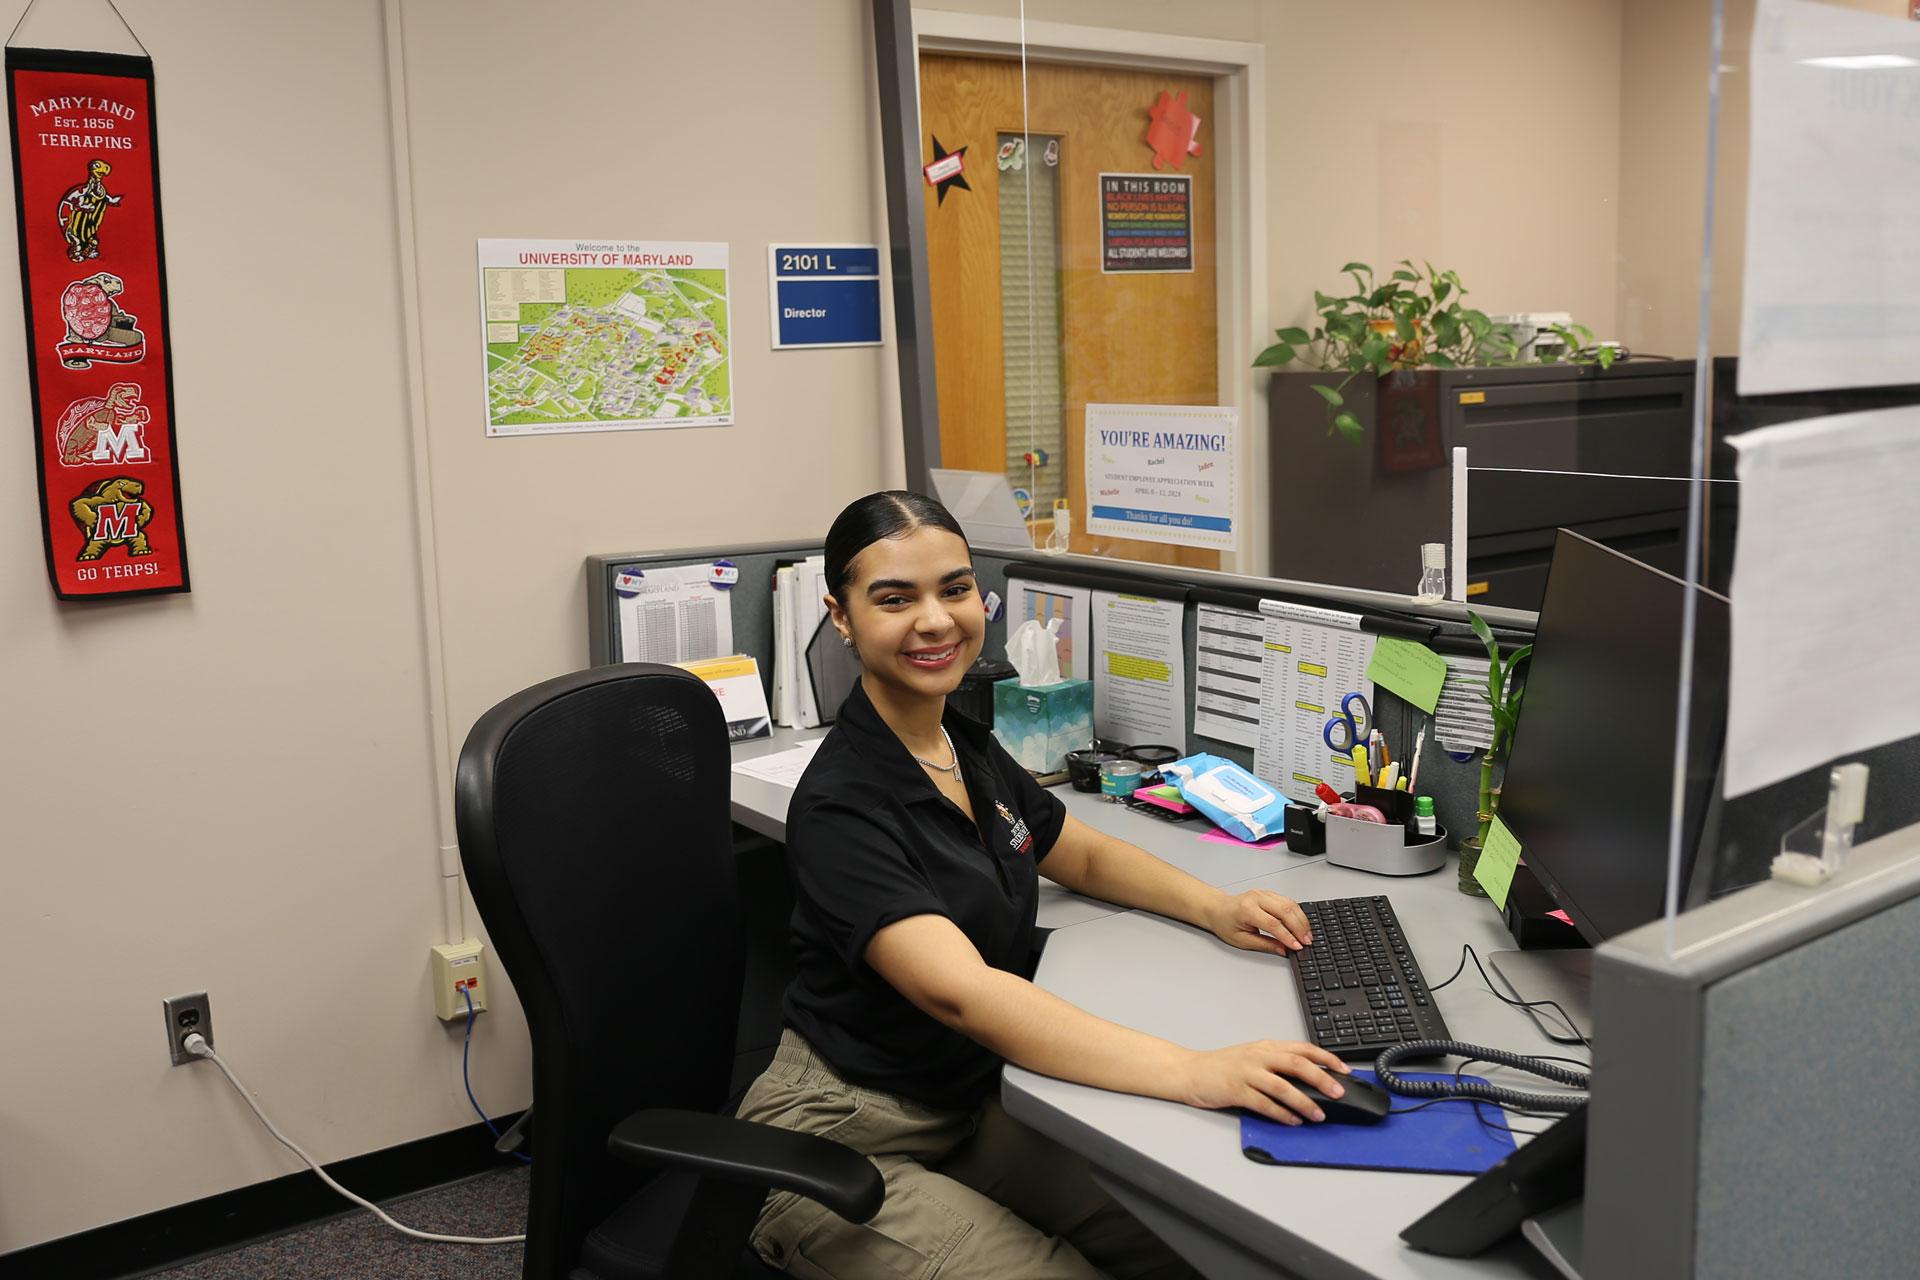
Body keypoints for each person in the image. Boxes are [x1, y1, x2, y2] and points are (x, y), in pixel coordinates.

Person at [736, 491, 1351, 1279]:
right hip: (844, 1135)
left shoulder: (958, 738)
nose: (936, 620)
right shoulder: (841, 805)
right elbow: (965, 994)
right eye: (896, 599)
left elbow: (1075, 851)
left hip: (972, 1101)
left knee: (1199, 1244)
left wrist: (1217, 906)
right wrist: (1195, 1072)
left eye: (954, 589)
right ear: (843, 616)